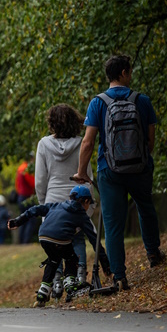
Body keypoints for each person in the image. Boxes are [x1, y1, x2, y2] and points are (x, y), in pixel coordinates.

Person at [73, 55, 165, 291]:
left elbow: (88, 142)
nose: (131, 74)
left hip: (109, 170)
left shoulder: (98, 103)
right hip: (140, 168)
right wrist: (142, 160)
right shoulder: (142, 101)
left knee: (113, 223)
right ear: (124, 73)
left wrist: (81, 171)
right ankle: (153, 253)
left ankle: (119, 276)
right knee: (146, 208)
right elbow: (150, 139)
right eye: (130, 71)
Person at [35, 104, 108, 297]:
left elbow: (40, 179)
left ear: (51, 123)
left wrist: (44, 204)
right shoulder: (81, 144)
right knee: (77, 238)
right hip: (77, 200)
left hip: (52, 200)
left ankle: (57, 281)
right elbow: (87, 175)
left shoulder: (43, 145)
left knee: (57, 241)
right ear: (75, 121)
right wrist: (89, 202)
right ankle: (79, 276)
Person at [7, 185, 110, 307]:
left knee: (53, 260)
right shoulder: (81, 214)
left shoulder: (57, 205)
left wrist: (18, 221)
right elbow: (94, 240)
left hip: (43, 236)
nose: (88, 207)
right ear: (86, 201)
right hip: (60, 238)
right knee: (72, 258)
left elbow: (35, 210)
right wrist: (105, 264)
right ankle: (71, 286)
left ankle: (43, 292)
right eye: (89, 204)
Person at [15, 153, 36, 244]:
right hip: (27, 197)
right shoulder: (27, 169)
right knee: (31, 219)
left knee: (23, 219)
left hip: (20, 196)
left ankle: (21, 241)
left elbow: (17, 184)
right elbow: (33, 183)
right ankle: (26, 241)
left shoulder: (20, 168)